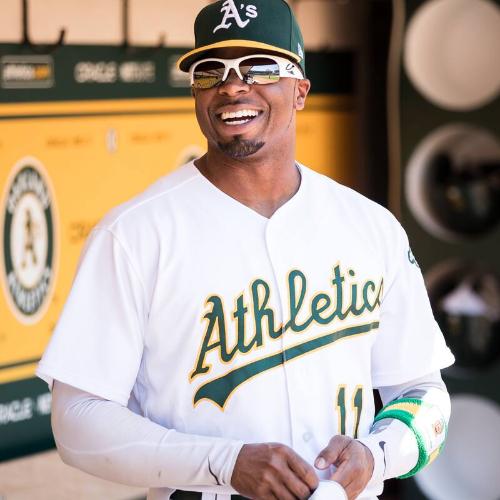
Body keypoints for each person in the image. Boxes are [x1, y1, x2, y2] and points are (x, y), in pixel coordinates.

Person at [37, 1, 454, 499]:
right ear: (195, 93)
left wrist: (377, 456)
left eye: (260, 67)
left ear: (300, 91)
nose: (233, 86)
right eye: (210, 71)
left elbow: (423, 394)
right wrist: (225, 463)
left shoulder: (369, 226)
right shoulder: (135, 234)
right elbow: (77, 420)